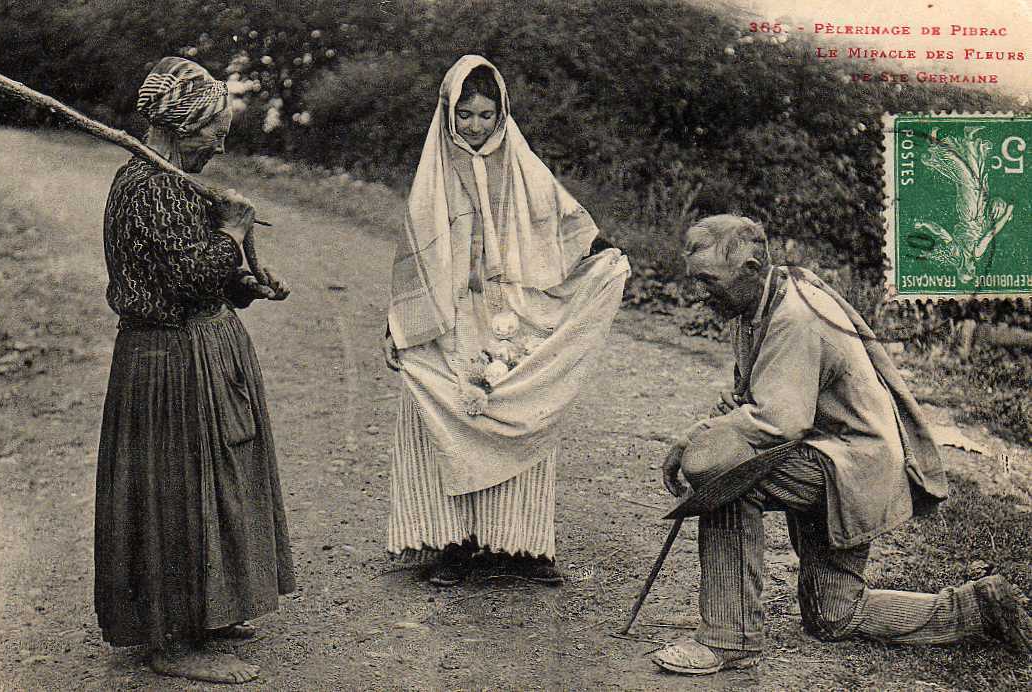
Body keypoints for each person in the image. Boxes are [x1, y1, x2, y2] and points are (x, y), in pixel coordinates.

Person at [652, 214, 1031, 675]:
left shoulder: (793, 317)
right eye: (697, 281)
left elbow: (777, 423)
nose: (700, 293)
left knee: (727, 474)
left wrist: (698, 447)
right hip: (835, 461)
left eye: (709, 281)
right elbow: (751, 401)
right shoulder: (757, 303)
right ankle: (975, 608)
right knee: (834, 616)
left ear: (752, 268)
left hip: (851, 466)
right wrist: (697, 435)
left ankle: (730, 639)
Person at [384, 55, 629, 587]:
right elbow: (415, 259)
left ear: (502, 115)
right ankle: (453, 541)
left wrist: (602, 252)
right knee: (449, 411)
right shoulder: (434, 174)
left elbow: (562, 218)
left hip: (511, 311)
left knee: (518, 406)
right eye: (464, 115)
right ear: (449, 115)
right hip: (450, 317)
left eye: (486, 115)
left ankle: (519, 543)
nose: (475, 126)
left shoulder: (520, 163)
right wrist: (398, 325)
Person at [94, 56, 294, 684]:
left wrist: (245, 283)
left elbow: (211, 282)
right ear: (182, 126)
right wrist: (233, 239)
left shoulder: (180, 185)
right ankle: (171, 639)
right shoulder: (145, 189)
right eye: (215, 132)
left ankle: (210, 613)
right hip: (166, 360)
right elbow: (181, 278)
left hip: (205, 350)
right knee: (174, 493)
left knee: (216, 483)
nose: (220, 144)